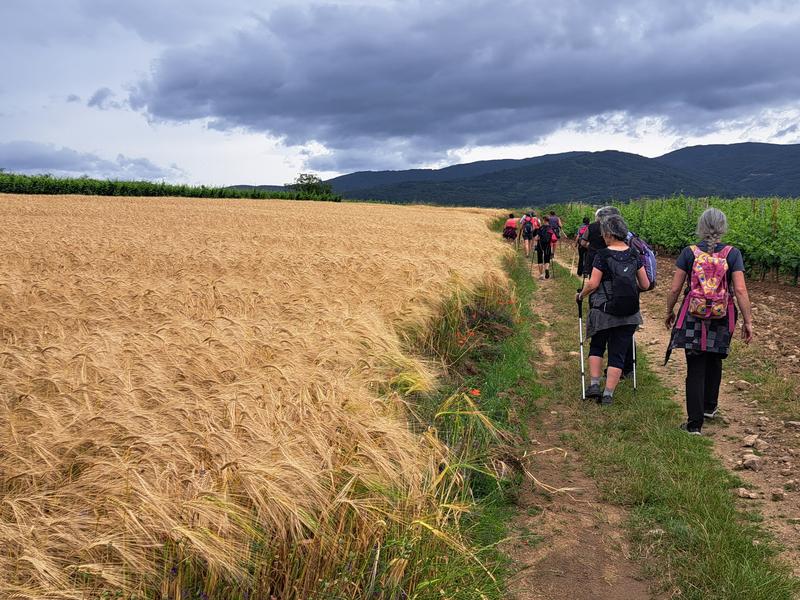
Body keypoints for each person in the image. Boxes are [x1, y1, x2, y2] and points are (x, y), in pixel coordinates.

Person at [665, 207, 753, 435]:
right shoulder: (733, 254)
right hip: (722, 317)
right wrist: (748, 321)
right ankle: (709, 408)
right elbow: (740, 290)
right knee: (715, 360)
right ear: (723, 227)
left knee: (695, 366)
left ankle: (694, 424)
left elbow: (675, 288)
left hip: (693, 316)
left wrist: (669, 310)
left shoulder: (689, 252)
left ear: (701, 227)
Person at [576, 215, 650, 404]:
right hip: (629, 313)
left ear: (608, 234)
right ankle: (608, 394)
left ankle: (594, 384)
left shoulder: (602, 255)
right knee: (618, 352)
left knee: (597, 346)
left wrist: (581, 295)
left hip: (604, 310)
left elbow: (593, 283)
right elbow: (645, 283)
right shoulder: (634, 253)